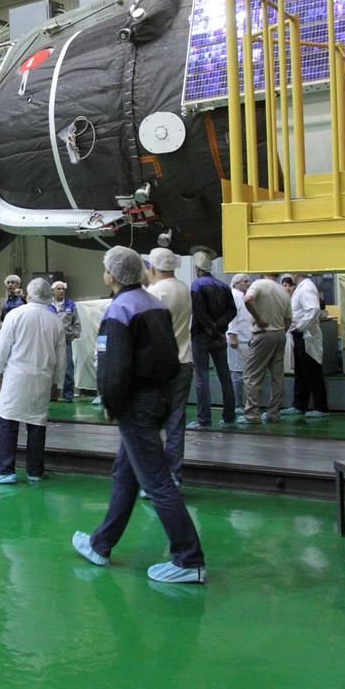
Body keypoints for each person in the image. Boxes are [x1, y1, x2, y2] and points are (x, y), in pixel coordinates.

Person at [71, 246, 206, 584]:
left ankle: (189, 559)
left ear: (112, 275)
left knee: (158, 482)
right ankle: (101, 544)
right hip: (159, 397)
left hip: (136, 406)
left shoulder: (119, 311)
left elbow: (113, 370)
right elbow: (169, 356)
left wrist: (111, 405)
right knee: (126, 473)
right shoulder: (153, 304)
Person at [0, 278, 66, 484]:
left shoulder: (15, 315)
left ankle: (6, 471)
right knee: (37, 423)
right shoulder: (55, 321)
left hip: (16, 378)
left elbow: (3, 347)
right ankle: (35, 471)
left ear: (29, 295)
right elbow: (62, 359)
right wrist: (57, 384)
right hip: (42, 380)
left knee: (8, 421)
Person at [145, 247, 193, 485]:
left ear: (152, 267)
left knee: (151, 422)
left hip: (160, 366)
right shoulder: (184, 288)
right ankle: (173, 475)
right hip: (184, 361)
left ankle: (153, 478)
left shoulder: (154, 292)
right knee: (176, 421)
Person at [188, 250, 237, 429]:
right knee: (225, 377)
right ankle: (229, 418)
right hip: (220, 337)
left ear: (197, 268)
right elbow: (233, 310)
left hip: (201, 336)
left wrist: (210, 328)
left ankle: (204, 419)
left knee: (201, 378)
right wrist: (219, 328)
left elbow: (199, 312)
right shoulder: (223, 286)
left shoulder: (196, 286)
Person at [243, 273, 291, 425]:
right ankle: (273, 413)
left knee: (252, 375)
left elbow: (248, 299)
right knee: (277, 377)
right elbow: (289, 319)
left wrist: (258, 319)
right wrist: (281, 329)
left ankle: (252, 414)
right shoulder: (283, 291)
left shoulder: (258, 284)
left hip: (263, 334)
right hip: (280, 334)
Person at [283, 273, 328, 419]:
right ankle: (299, 405)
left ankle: (321, 407)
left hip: (306, 335)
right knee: (301, 372)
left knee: (312, 371)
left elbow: (313, 310)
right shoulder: (301, 288)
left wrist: (300, 327)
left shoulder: (306, 287)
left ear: (296, 273)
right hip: (300, 334)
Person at [225, 273, 252, 423]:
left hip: (245, 339)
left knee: (243, 373)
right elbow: (232, 317)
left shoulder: (243, 296)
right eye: (245, 281)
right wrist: (233, 335)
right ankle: (237, 404)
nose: (248, 284)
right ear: (236, 283)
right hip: (238, 339)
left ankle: (242, 403)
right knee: (237, 374)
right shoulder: (234, 296)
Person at [50, 281, 81, 402]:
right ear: (53, 290)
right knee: (51, 368)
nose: (61, 291)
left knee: (68, 368)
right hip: (51, 342)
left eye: (63, 289)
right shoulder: (48, 305)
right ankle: (52, 394)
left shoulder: (70, 305)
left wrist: (74, 335)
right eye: (59, 289)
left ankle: (68, 394)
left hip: (66, 341)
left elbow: (77, 322)